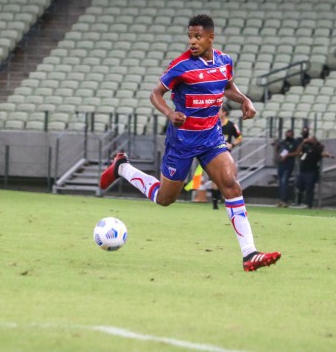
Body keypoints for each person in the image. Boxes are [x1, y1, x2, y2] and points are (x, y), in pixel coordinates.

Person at [98, 14, 280, 272]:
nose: (192, 41)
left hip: (211, 138)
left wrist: (245, 100)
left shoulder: (224, 61)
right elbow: (156, 93)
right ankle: (122, 168)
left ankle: (249, 253)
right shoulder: (181, 65)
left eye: (197, 37)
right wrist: (169, 113)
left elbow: (226, 85)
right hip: (182, 141)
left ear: (210, 37)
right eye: (190, 36)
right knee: (165, 198)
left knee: (231, 183)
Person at [212, 105, 242, 210]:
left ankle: (221, 197)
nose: (217, 112)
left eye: (219, 110)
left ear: (224, 113)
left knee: (227, 177)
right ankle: (215, 203)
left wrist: (232, 144)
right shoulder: (213, 123)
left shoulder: (231, 125)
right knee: (215, 178)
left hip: (226, 154)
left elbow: (239, 137)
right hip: (214, 153)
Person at [295, 128, 333, 208]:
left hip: (310, 171)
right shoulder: (306, 147)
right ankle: (298, 202)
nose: (310, 140)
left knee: (309, 188)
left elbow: (323, 153)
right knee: (299, 186)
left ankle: (309, 204)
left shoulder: (317, 148)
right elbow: (298, 152)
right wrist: (303, 143)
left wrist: (329, 155)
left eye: (312, 139)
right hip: (302, 170)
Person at [273, 129, 300, 207]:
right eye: (287, 134)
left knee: (284, 182)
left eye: (289, 134)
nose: (288, 136)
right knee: (280, 183)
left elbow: (297, 152)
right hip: (281, 164)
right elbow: (277, 150)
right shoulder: (282, 142)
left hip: (288, 165)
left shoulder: (295, 142)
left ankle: (284, 200)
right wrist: (278, 152)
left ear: (292, 135)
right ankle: (281, 200)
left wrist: (287, 155)